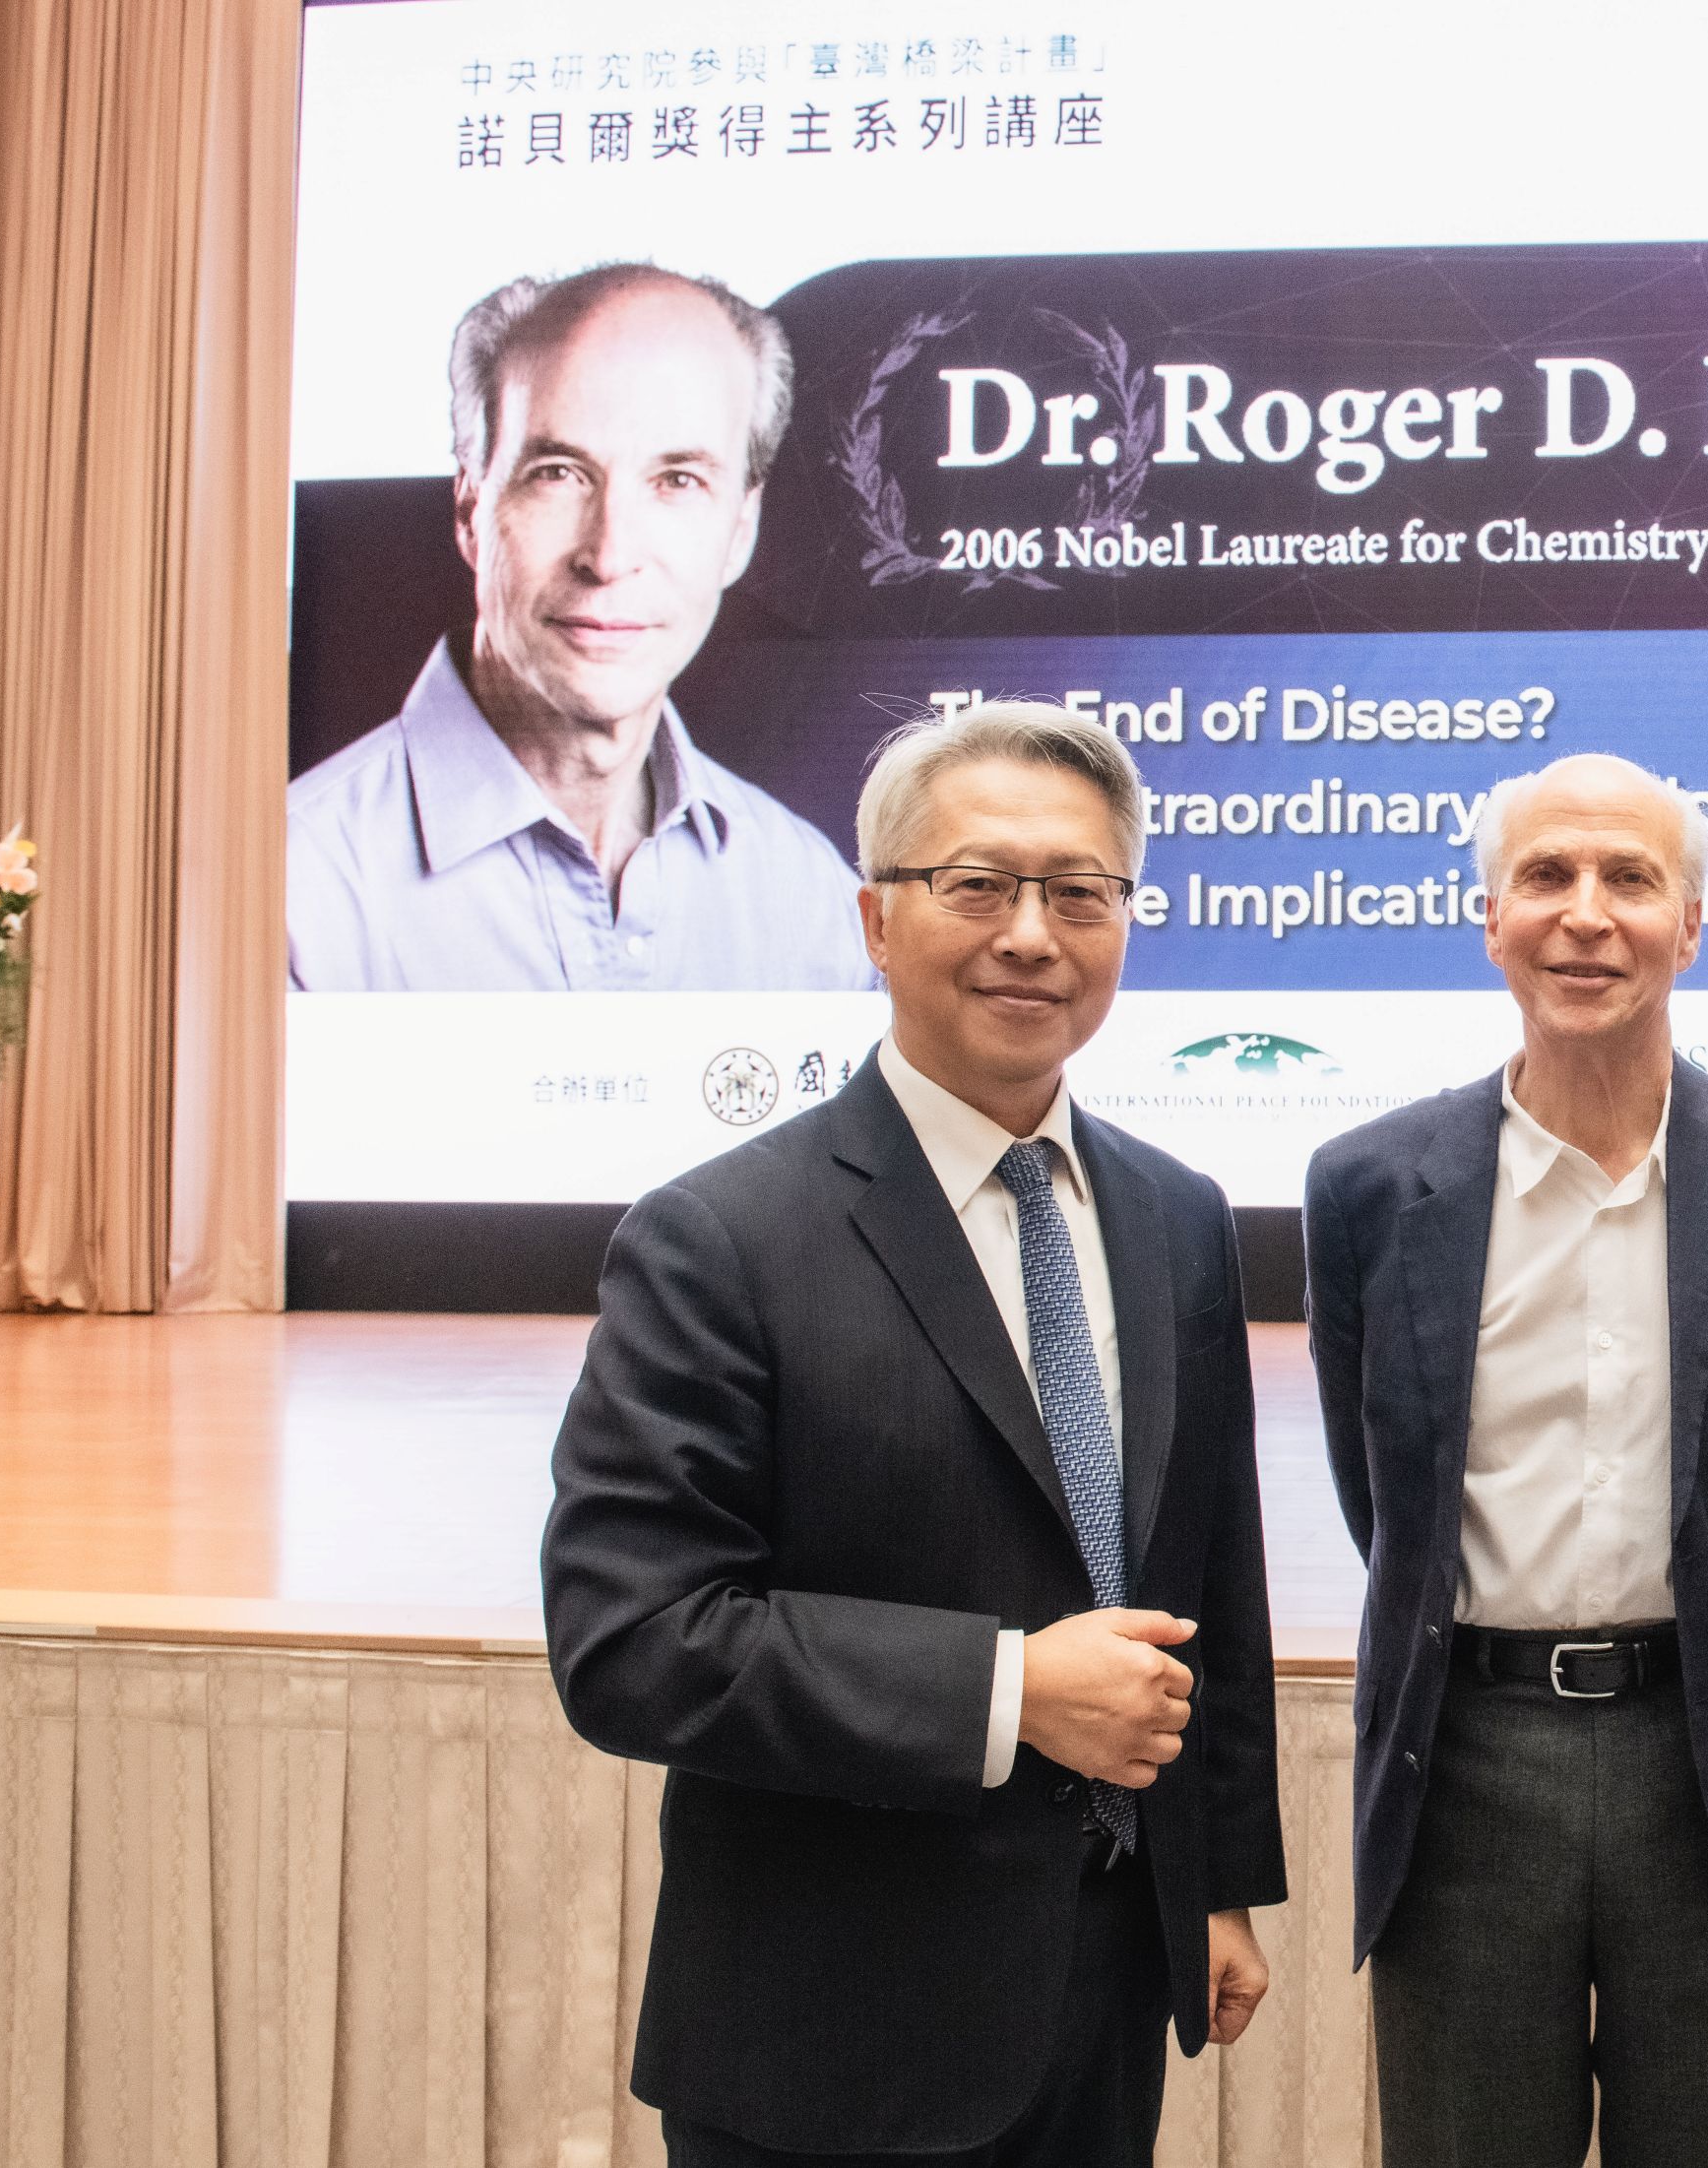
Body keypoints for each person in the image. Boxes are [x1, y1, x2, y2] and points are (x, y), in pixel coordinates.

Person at [541, 701, 1279, 2166]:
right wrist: (1006, 1689)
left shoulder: (1176, 1216)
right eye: (979, 885)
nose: (1032, 933)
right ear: (876, 921)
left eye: (1081, 891)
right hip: (830, 2034)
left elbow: (1211, 1575)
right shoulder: (717, 1238)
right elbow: (632, 1638)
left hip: (1100, 2001)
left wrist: (1211, 1878)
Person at [1304, 752, 1708, 2168]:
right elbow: (1381, 1498)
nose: (1586, 914)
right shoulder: (1371, 1188)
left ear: (1693, 923)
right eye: (1548, 876)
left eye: (1630, 878)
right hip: (1469, 1762)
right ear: (1489, 914)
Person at [289, 262, 870, 990]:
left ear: (740, 530)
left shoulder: (810, 906)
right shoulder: (292, 893)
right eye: (559, 473)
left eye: (678, 481)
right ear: (472, 510)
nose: (610, 555)